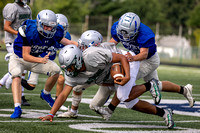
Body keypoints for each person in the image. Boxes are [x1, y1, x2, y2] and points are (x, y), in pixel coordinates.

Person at [39, 44, 175, 129]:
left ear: (78, 60)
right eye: (67, 68)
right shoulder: (72, 74)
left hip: (124, 63)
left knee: (123, 95)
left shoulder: (92, 55)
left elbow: (121, 58)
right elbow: (63, 94)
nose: (69, 70)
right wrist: (51, 114)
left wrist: (127, 76)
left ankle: (150, 84)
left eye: (71, 66)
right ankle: (164, 113)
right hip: (108, 78)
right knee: (131, 103)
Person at [108, 12, 194, 106]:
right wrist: (101, 51)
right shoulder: (117, 27)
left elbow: (144, 55)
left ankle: (109, 109)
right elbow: (112, 43)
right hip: (136, 58)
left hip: (148, 60)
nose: (124, 36)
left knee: (124, 80)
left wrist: (132, 58)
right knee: (156, 84)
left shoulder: (145, 33)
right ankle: (184, 90)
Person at [8, 9, 78, 119]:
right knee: (16, 75)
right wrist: (41, 60)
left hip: (35, 58)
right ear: (39, 23)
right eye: (46, 26)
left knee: (55, 70)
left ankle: (45, 93)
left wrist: (82, 45)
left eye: (51, 26)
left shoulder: (57, 31)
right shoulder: (29, 30)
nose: (49, 29)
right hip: (19, 58)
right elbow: (25, 56)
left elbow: (68, 42)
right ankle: (17, 108)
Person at [20, 13, 72, 111]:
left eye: (64, 27)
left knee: (60, 79)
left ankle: (57, 102)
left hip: (49, 62)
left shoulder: (63, 36)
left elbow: (67, 49)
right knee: (30, 86)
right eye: (59, 27)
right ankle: (9, 78)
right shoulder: (40, 33)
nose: (62, 30)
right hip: (38, 59)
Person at [0, 0, 32, 106]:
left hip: (23, 42)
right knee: (19, 67)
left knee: (22, 68)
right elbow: (6, 26)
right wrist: (19, 34)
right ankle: (20, 96)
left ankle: (19, 95)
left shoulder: (27, 8)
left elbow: (30, 26)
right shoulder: (12, 7)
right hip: (13, 41)